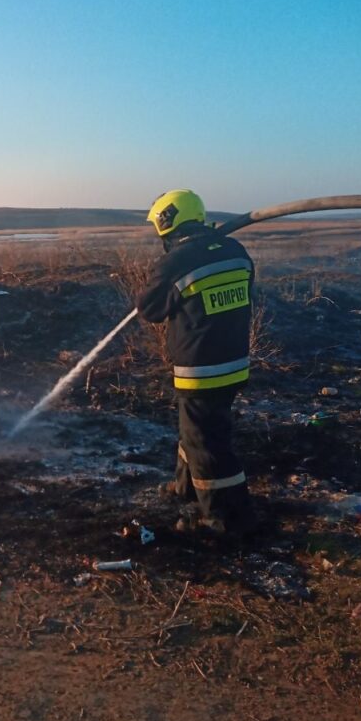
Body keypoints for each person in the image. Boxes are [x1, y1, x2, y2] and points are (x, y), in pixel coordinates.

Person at [135, 189, 255, 534]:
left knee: (206, 444)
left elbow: (150, 310)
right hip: (234, 362)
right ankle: (185, 488)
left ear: (166, 222)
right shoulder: (235, 251)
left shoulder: (176, 262)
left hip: (200, 369)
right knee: (197, 429)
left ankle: (225, 516)